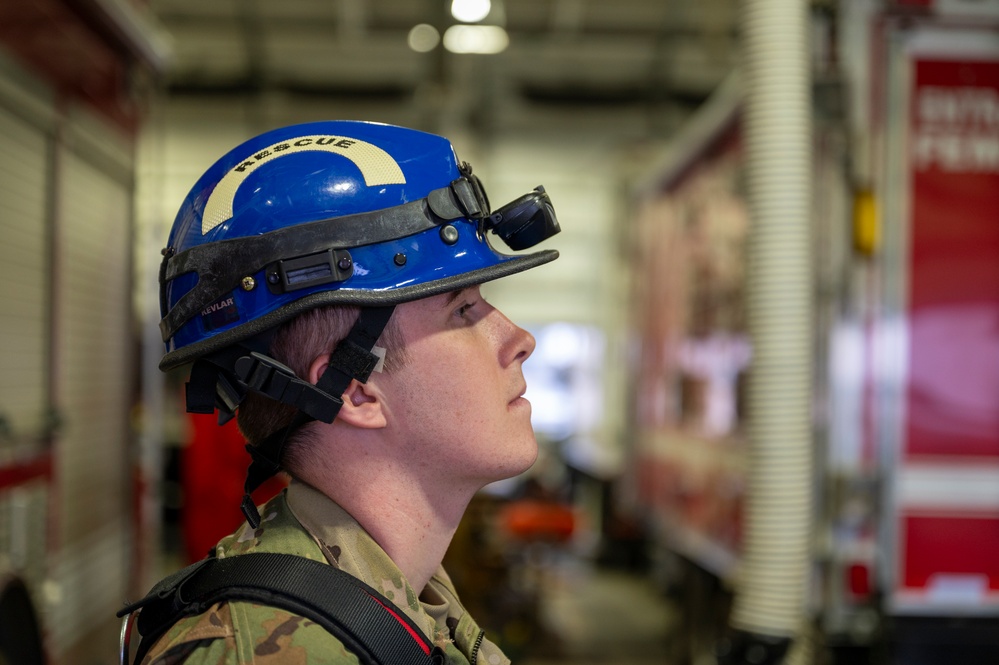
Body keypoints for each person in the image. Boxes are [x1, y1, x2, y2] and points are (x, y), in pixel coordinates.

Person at [123, 120, 560, 664]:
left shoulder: (404, 607)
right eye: (465, 309)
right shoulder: (263, 651)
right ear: (357, 392)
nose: (520, 340)